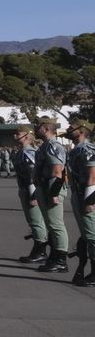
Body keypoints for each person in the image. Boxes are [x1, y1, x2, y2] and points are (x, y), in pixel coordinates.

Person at [33, 117, 70, 274]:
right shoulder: (45, 146)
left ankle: (61, 259)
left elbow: (57, 170)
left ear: (46, 128)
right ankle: (54, 256)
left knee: (56, 225)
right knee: (51, 225)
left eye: (38, 125)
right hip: (45, 187)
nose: (35, 128)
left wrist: (53, 193)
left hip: (52, 188)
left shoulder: (53, 146)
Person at [64, 122, 95, 286]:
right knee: (87, 235)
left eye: (72, 128)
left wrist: (90, 200)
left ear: (82, 131)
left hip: (87, 196)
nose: (69, 129)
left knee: (92, 235)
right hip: (78, 194)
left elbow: (93, 176)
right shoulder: (76, 149)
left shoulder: (87, 149)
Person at [12, 125, 46, 264]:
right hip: (24, 189)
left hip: (30, 190)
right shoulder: (21, 152)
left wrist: (33, 195)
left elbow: (33, 176)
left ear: (26, 136)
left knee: (36, 221)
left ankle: (41, 251)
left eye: (18, 133)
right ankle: (38, 248)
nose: (15, 136)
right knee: (33, 221)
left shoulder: (29, 153)